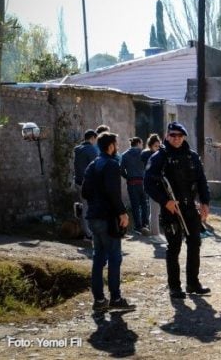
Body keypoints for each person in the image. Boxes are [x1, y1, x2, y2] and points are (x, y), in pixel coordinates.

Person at [144, 122, 211, 299]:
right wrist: (165, 201)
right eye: (173, 135)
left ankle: (193, 283)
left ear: (184, 137)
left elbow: (202, 181)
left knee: (195, 244)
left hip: (190, 208)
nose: (176, 139)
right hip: (171, 210)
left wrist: (205, 202)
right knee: (174, 247)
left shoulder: (192, 157)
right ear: (167, 136)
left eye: (180, 136)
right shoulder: (159, 157)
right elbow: (148, 184)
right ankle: (174, 287)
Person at [82, 132, 134, 311]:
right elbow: (114, 193)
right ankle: (116, 298)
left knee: (98, 258)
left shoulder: (92, 165)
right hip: (108, 218)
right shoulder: (112, 165)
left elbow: (85, 193)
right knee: (114, 257)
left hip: (93, 217)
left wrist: (96, 203)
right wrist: (122, 213)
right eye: (116, 144)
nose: (117, 147)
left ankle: (98, 300)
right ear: (111, 146)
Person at [121, 137, 150, 235]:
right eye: (141, 143)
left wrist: (128, 177)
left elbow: (121, 170)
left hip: (132, 183)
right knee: (144, 204)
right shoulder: (144, 153)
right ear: (138, 143)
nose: (142, 145)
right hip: (143, 182)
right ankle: (145, 224)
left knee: (135, 206)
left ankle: (138, 227)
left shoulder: (124, 155)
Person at [73, 129, 98, 239]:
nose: (95, 142)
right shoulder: (91, 149)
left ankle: (86, 230)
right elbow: (95, 167)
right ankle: (88, 233)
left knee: (85, 206)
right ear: (92, 138)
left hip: (78, 181)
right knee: (88, 208)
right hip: (88, 183)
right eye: (95, 139)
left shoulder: (78, 149)